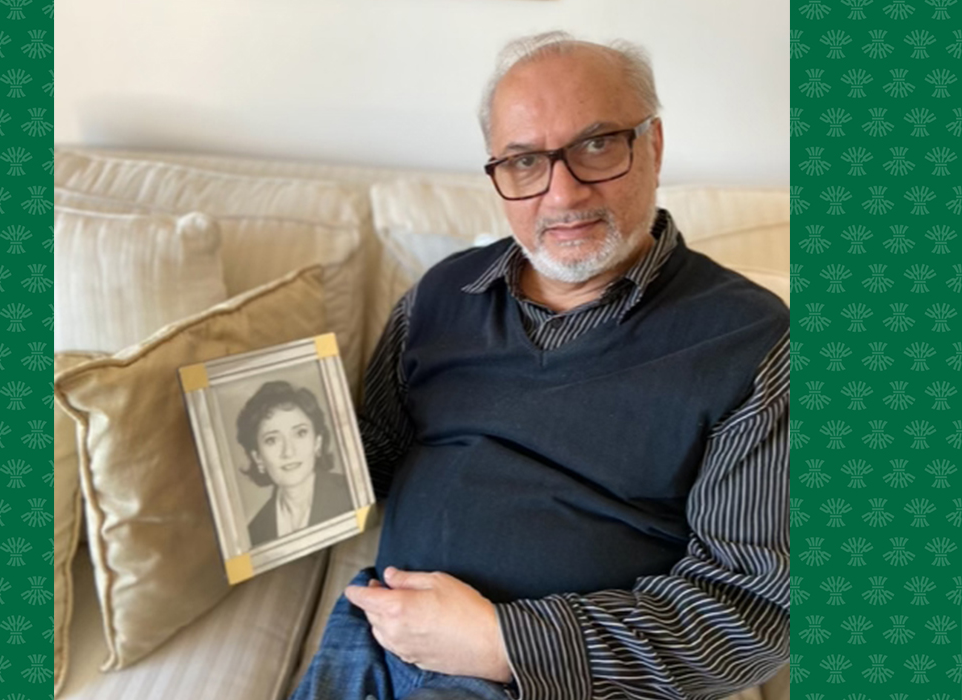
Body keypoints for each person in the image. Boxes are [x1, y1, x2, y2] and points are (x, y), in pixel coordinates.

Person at [291, 31, 789, 700]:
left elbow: (751, 613)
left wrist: (502, 642)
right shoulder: (442, 294)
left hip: (548, 680)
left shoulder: (753, 342)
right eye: (525, 161)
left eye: (596, 145)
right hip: (374, 633)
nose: (563, 194)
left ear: (653, 145)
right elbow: (374, 456)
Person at [236, 380, 354, 548]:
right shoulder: (255, 535)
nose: (288, 452)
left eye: (300, 433)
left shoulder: (353, 495)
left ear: (317, 443)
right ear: (258, 458)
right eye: (272, 440)